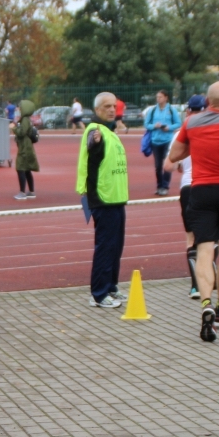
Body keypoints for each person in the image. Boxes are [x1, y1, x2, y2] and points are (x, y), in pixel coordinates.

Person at [169, 81, 219, 342]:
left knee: (204, 249)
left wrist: (197, 143)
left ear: (207, 101)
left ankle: (206, 304)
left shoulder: (191, 123)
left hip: (200, 189)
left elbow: (174, 155)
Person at [76, 92, 129, 309]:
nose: (111, 109)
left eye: (113, 106)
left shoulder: (110, 132)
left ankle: (111, 287)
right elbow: (92, 144)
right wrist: (94, 142)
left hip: (116, 198)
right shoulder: (95, 130)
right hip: (102, 197)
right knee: (105, 247)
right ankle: (98, 294)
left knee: (115, 247)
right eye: (106, 106)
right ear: (97, 110)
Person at [163, 94, 206, 299]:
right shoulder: (215, 129)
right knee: (211, 236)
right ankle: (210, 278)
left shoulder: (181, 133)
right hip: (211, 185)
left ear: (188, 111)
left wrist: (182, 163)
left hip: (188, 186)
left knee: (191, 236)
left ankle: (196, 286)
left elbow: (168, 166)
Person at [145, 90, 182, 195]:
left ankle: (165, 186)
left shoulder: (171, 110)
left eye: (160, 97)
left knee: (167, 164)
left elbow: (178, 123)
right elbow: (147, 124)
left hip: (167, 141)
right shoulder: (152, 110)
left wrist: (168, 127)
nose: (158, 99)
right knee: (158, 166)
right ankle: (159, 186)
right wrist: (154, 126)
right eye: (157, 97)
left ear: (166, 98)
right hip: (155, 141)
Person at [12, 99, 39, 200]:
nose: (18, 109)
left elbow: (22, 132)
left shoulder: (24, 120)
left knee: (21, 168)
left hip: (24, 147)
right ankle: (31, 191)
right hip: (27, 146)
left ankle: (22, 192)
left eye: (20, 108)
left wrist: (14, 128)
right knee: (27, 169)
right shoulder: (27, 119)